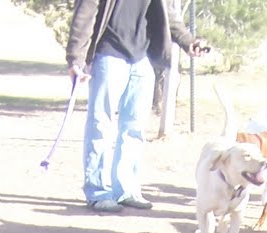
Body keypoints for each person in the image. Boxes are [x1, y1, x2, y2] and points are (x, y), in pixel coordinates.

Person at [67, 0, 209, 212]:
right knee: (100, 125)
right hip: (108, 55)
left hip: (142, 58)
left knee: (134, 128)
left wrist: (188, 41)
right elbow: (85, 13)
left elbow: (168, 14)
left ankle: (126, 190)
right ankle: (98, 193)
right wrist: (75, 58)